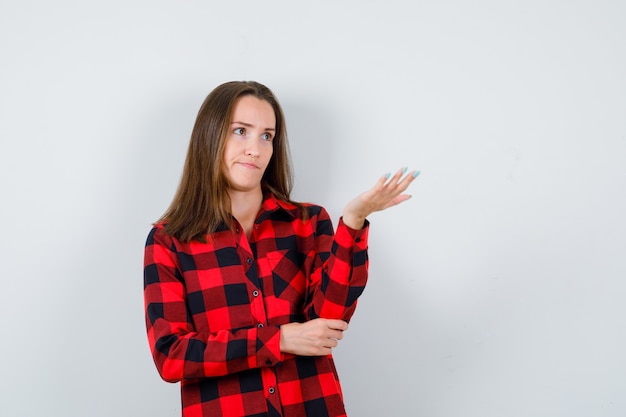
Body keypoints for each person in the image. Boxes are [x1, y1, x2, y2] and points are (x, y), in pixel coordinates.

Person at [143, 81, 419, 417]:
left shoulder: (308, 222)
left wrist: (353, 222)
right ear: (210, 137)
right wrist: (278, 340)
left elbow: (329, 320)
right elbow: (172, 357)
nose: (255, 149)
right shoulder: (170, 241)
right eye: (240, 131)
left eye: (267, 136)